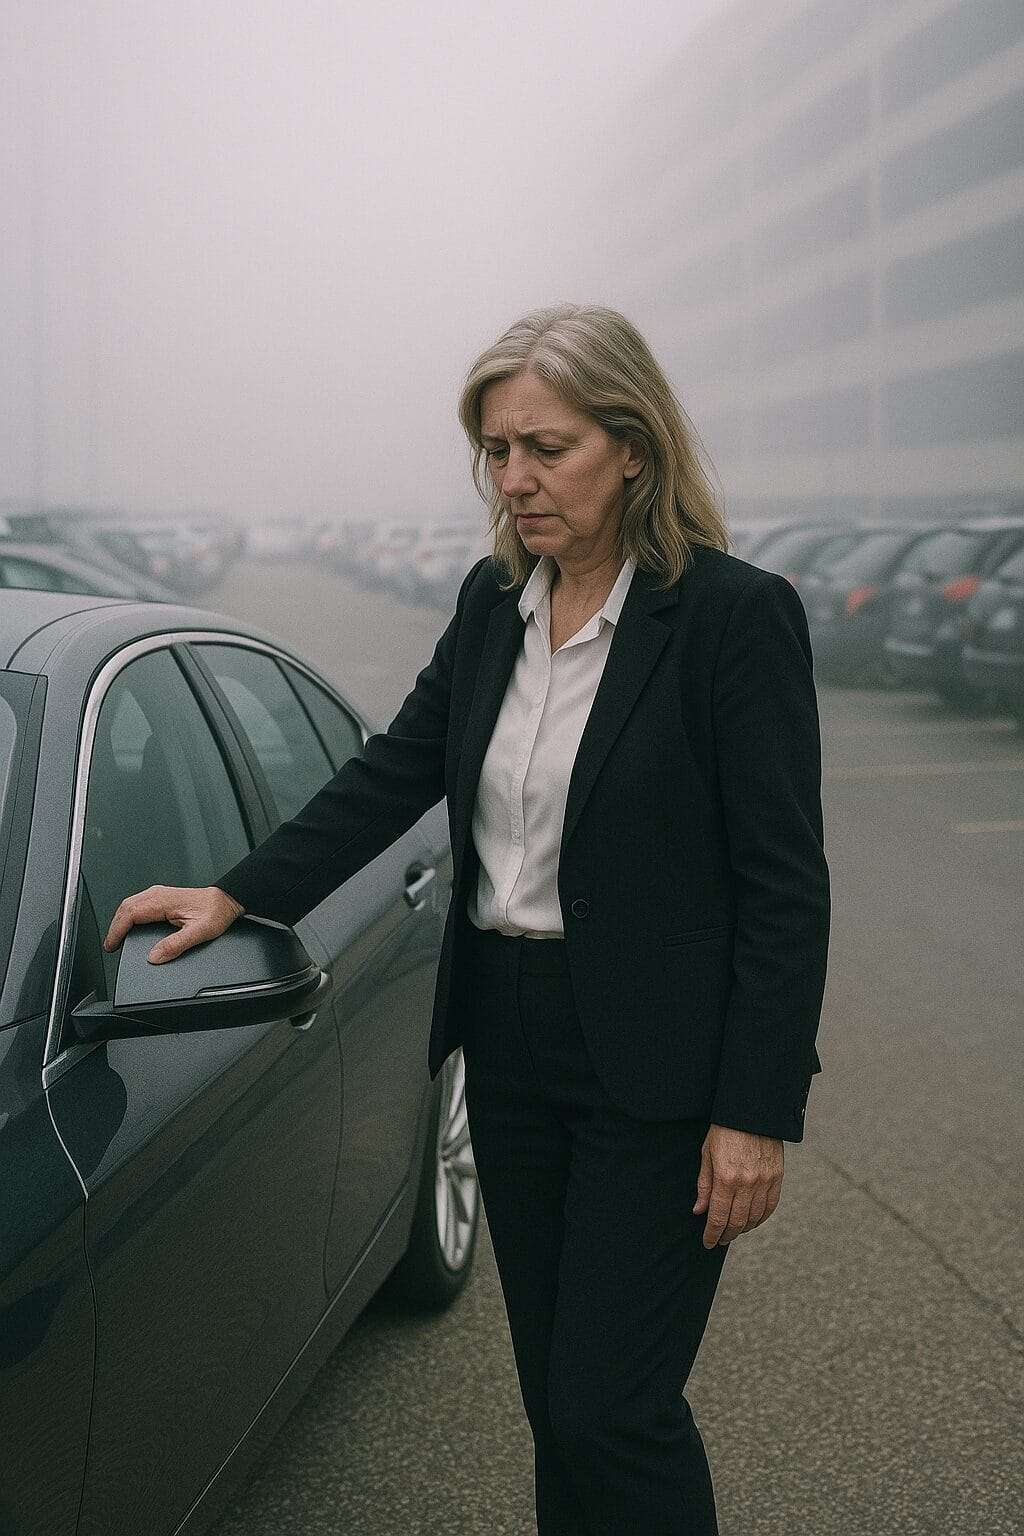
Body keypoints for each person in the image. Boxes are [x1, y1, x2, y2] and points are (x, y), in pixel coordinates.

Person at [104, 303, 830, 1535]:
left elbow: (783, 885)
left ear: (633, 445)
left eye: (546, 447)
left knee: (616, 1406)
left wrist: (754, 1110)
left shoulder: (727, 618)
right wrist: (238, 889)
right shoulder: (493, 605)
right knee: (556, 1395)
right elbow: (395, 769)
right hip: (508, 1035)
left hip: (654, 1067)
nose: (516, 479)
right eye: (498, 450)